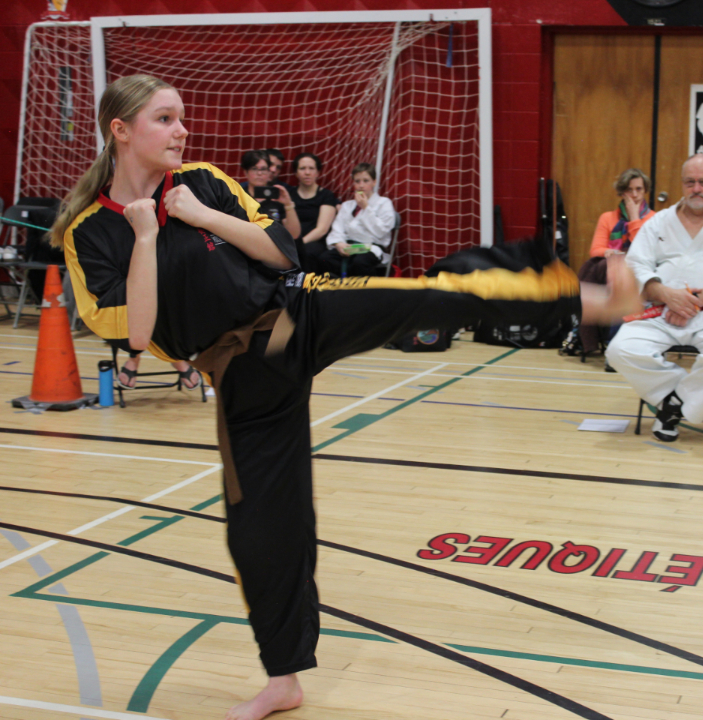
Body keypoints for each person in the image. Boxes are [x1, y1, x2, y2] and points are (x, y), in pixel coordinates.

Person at [50, 74, 642, 720]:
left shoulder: (203, 182)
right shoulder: (90, 232)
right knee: (262, 529)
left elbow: (281, 252)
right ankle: (284, 679)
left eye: (181, 117)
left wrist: (203, 215)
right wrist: (145, 235)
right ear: (121, 130)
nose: (181, 130)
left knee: (429, 296)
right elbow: (136, 333)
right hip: (243, 377)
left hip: (297, 312)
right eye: (165, 119)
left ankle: (587, 298)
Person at [606, 153, 703, 443]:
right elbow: (635, 266)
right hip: (662, 310)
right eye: (690, 182)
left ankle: (671, 408)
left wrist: (693, 301)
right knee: (619, 350)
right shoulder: (659, 222)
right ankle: (702, 401)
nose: (696, 188)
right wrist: (666, 294)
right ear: (681, 184)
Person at [578, 168, 656, 355]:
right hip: (610, 269)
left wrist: (634, 218)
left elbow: (643, 250)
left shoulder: (654, 219)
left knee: (599, 271)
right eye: (629, 189)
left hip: (641, 271)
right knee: (598, 266)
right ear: (622, 192)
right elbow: (596, 249)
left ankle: (591, 342)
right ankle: (600, 341)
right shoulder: (608, 218)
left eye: (639, 189)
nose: (634, 194)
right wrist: (612, 253)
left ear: (645, 191)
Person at [315, 163, 395, 277]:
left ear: (374, 182)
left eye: (366, 181)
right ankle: (337, 288)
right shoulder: (347, 205)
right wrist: (339, 243)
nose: (361, 185)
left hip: (370, 248)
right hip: (349, 247)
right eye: (357, 181)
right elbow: (337, 229)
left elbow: (381, 231)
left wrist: (366, 208)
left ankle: (362, 289)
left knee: (359, 262)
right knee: (324, 259)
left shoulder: (384, 203)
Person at [290, 152, 339, 273]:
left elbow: (322, 229)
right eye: (302, 168)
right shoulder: (288, 194)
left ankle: (307, 284)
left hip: (315, 242)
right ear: (296, 173)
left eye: (311, 168)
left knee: (306, 252)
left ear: (318, 172)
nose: (307, 172)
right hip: (292, 240)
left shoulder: (326, 195)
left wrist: (299, 244)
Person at [240, 150, 301, 241]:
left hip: (274, 244)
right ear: (246, 172)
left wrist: (288, 205)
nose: (259, 173)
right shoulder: (239, 196)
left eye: (263, 169)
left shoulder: (279, 195)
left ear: (269, 172)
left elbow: (294, 234)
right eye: (254, 169)